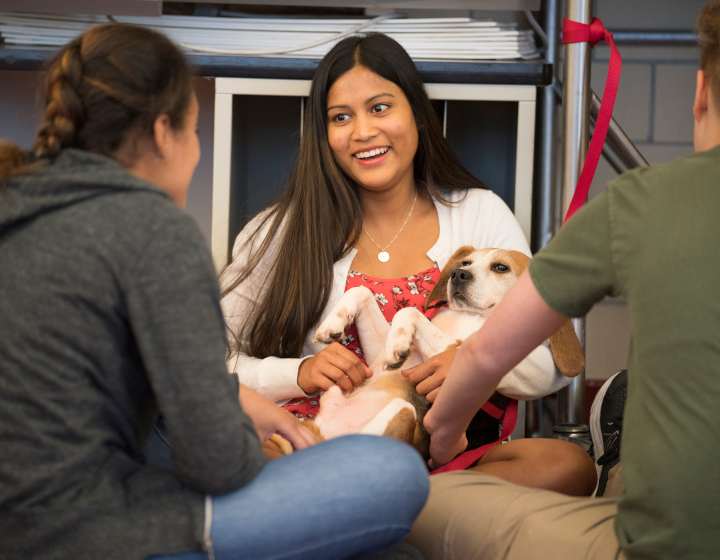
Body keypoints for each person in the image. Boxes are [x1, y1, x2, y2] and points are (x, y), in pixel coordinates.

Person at [0, 24, 430, 560]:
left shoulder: (15, 200)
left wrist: (230, 397)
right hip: (83, 528)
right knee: (395, 475)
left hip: (23, 517)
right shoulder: (153, 227)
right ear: (164, 132)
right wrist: (267, 446)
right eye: (195, 131)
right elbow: (217, 464)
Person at [405, 2, 720, 558]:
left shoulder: (641, 202)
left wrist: (447, 435)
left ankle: (620, 461)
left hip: (661, 544)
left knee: (408, 504)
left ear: (700, 92)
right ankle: (619, 460)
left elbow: (487, 358)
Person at [221, 32, 596, 495]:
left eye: (380, 108)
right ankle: (397, 513)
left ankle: (363, 509)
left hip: (446, 459)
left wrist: (477, 363)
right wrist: (297, 372)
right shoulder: (278, 231)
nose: (362, 132)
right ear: (324, 135)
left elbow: (557, 359)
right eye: (341, 117)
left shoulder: (481, 213)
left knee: (568, 465)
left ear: (417, 114)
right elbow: (210, 363)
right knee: (237, 454)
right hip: (316, 441)